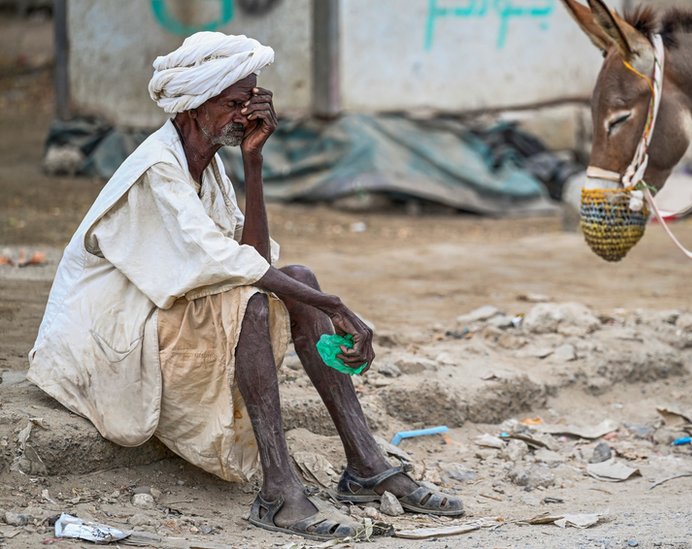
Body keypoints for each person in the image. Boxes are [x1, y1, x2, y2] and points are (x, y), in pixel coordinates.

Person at [28, 31, 462, 542]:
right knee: (254, 303)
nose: (246, 116)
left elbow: (252, 257)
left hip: (151, 318)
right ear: (192, 107)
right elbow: (225, 264)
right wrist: (335, 306)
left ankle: (366, 464)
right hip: (103, 340)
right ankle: (279, 489)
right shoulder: (156, 170)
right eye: (235, 104)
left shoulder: (208, 169)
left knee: (298, 279)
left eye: (251, 103)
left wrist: (254, 161)